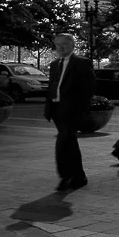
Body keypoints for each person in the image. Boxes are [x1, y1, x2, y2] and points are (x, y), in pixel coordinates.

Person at [44, 31, 95, 192]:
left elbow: (89, 87)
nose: (60, 47)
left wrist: (82, 109)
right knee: (71, 142)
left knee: (63, 141)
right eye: (57, 44)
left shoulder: (82, 63)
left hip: (73, 111)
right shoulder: (54, 64)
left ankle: (65, 176)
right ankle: (79, 177)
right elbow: (53, 85)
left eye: (64, 44)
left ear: (72, 45)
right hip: (57, 109)